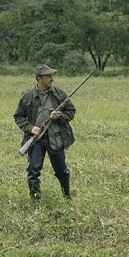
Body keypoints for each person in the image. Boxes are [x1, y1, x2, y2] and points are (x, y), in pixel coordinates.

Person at [14, 64, 76, 201]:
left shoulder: (60, 94)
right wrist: (31, 128)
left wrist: (60, 116)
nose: (52, 78)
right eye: (48, 76)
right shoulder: (27, 96)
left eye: (52, 75)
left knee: (62, 171)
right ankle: (35, 200)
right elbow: (18, 117)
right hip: (36, 140)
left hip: (56, 138)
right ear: (39, 79)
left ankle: (67, 196)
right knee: (33, 171)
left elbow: (71, 112)